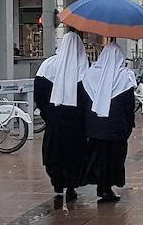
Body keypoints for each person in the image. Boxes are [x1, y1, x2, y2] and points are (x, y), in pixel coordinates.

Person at [34, 31, 89, 203]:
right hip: (75, 122)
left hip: (54, 120)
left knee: (54, 152)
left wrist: (47, 114)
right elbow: (88, 96)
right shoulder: (83, 66)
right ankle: (71, 185)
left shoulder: (47, 65)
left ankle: (57, 183)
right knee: (74, 154)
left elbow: (39, 94)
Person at [80, 42, 137, 203]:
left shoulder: (90, 74)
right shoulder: (124, 76)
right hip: (116, 128)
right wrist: (129, 124)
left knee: (98, 157)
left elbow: (85, 102)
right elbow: (129, 105)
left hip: (95, 127)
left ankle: (101, 185)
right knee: (114, 158)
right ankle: (108, 188)